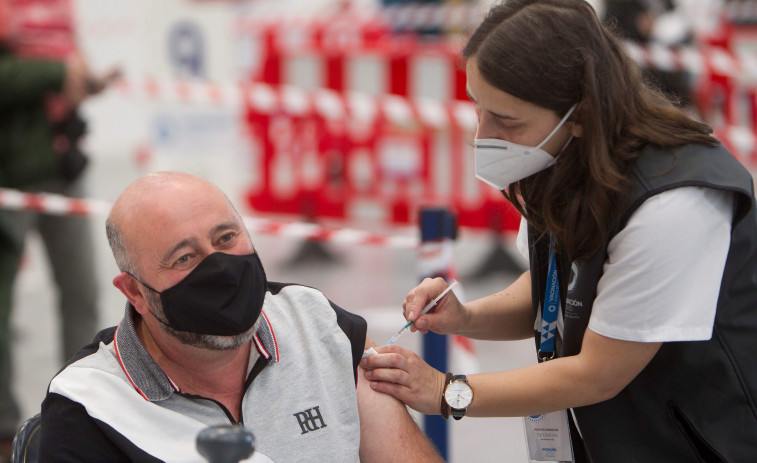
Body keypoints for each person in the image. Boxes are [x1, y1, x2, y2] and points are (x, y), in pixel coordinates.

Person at [361, 0, 757, 461]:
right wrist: (465, 317)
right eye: (478, 109)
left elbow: (598, 373)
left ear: (581, 114)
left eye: (507, 121)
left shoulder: (674, 204)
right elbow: (553, 287)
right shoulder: (561, 160)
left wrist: (447, 392)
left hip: (704, 442)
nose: (482, 135)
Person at [38, 171, 442, 462]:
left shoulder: (317, 325)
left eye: (226, 238)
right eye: (184, 257)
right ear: (135, 292)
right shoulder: (92, 405)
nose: (220, 269)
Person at [0, 0, 117, 455]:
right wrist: (54, 74)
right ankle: (4, 426)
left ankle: (82, 407)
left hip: (63, 162)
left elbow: (72, 58)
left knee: (83, 291)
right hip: (10, 171)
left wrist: (84, 80)